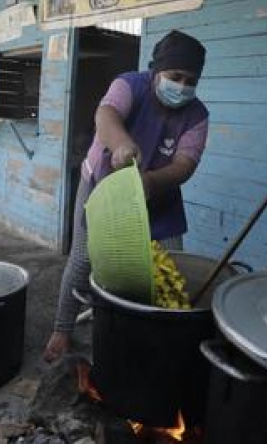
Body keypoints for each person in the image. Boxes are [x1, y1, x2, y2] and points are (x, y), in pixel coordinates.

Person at [44, 30, 209, 362]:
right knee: (83, 259)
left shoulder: (197, 116)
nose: (182, 86)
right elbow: (105, 116)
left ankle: (158, 331)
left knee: (169, 266)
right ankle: (62, 330)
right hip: (104, 184)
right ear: (157, 70)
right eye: (175, 76)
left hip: (158, 191)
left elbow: (185, 165)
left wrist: (148, 183)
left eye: (190, 81)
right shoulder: (130, 84)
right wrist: (121, 145)